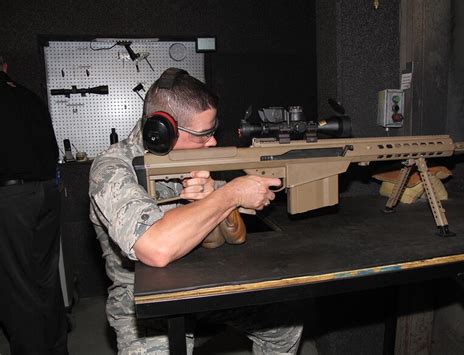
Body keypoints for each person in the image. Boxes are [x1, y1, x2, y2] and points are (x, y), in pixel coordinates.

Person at [89, 68, 304, 354]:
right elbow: (155, 248)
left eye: (213, 132)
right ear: (162, 131)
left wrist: (213, 199)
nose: (212, 142)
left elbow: (230, 238)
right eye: (204, 134)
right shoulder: (112, 169)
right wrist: (231, 193)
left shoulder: (189, 155)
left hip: (204, 280)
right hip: (142, 298)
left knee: (286, 325)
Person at [0, 55, 69, 354]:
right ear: (5, 67)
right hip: (46, 193)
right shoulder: (28, 95)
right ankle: (56, 349)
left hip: (10, 198)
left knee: (17, 288)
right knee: (46, 280)